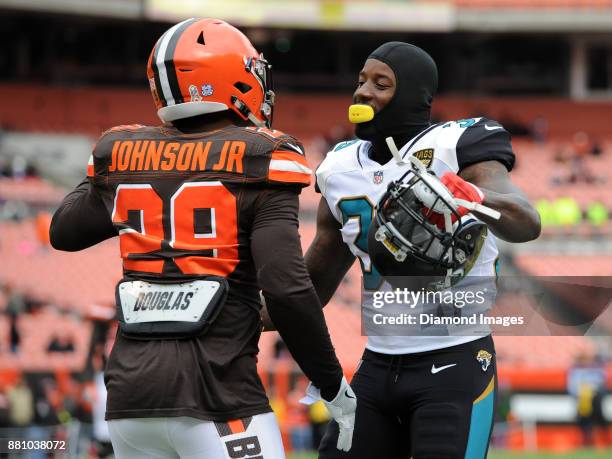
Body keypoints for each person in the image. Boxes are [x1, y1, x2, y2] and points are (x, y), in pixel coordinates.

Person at [50, 18, 355, 459]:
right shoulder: (265, 154)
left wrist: (106, 169)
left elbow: (64, 231)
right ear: (231, 77)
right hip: (218, 397)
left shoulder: (121, 151)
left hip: (129, 403)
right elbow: (287, 290)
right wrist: (331, 384)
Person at [266, 42, 541, 458]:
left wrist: (473, 197)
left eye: (381, 84)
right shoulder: (340, 169)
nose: (363, 92)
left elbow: (526, 220)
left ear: (414, 94)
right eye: (360, 81)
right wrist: (229, 319)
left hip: (455, 364)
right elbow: (312, 287)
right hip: (377, 368)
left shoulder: (456, 146)